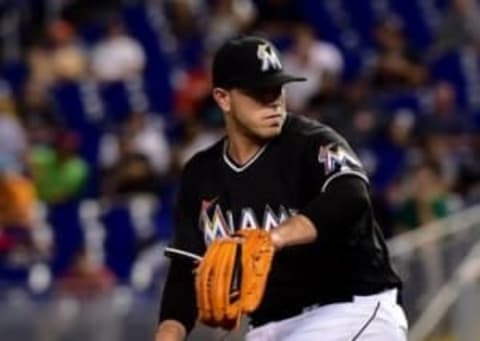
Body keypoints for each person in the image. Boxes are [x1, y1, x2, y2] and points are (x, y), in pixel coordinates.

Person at [155, 36, 407, 341]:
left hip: (350, 309)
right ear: (223, 99)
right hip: (268, 325)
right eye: (259, 93)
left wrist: (274, 238)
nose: (273, 102)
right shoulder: (201, 173)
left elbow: (350, 198)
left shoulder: (311, 141)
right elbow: (185, 270)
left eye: (277, 90)